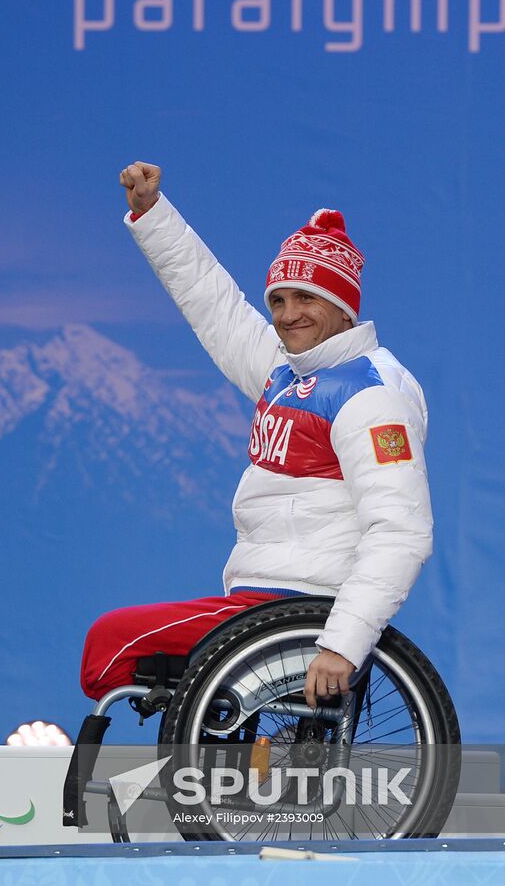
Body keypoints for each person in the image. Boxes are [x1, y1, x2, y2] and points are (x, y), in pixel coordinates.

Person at [80, 162, 433, 709]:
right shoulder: (287, 371)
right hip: (261, 603)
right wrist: (152, 215)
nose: (288, 315)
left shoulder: (372, 394)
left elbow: (401, 532)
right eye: (278, 301)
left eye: (306, 299)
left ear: (343, 307)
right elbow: (212, 304)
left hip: (300, 612)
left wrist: (342, 645)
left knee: (110, 641)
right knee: (114, 641)